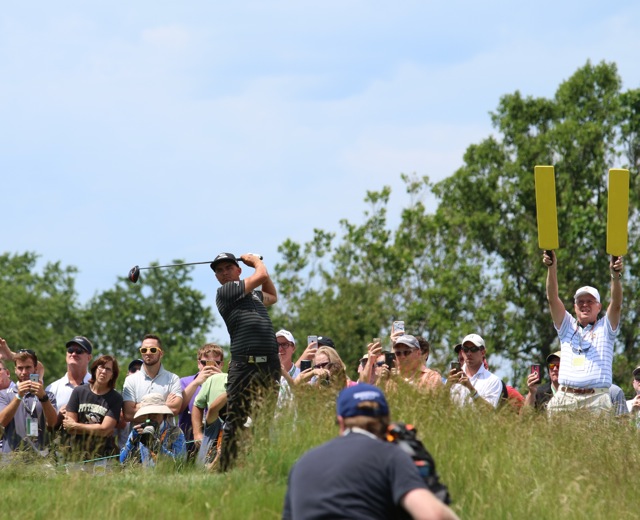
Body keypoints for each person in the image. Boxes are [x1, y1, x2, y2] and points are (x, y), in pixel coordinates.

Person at [282, 384, 459, 520]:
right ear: (387, 422)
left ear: (341, 422)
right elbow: (435, 515)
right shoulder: (390, 456)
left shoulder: (302, 463)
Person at [210, 252, 281, 471]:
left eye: (228, 268)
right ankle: (226, 469)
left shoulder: (253, 296)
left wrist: (260, 268)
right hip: (244, 365)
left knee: (263, 419)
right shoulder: (226, 292)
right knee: (236, 420)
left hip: (269, 364)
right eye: (219, 271)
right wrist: (257, 263)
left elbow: (272, 294)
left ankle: (260, 466)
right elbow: (261, 275)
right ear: (218, 278)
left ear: (238, 270)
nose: (224, 273)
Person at [543, 251, 623, 414]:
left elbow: (616, 303)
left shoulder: (605, 328)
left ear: (599, 307)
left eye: (590, 301)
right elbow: (552, 298)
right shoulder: (567, 325)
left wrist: (615, 276)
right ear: (574, 307)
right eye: (580, 301)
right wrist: (552, 267)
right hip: (565, 397)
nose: (585, 305)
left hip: (596, 400)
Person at [62, 355, 123, 460]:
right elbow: (69, 428)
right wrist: (96, 429)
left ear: (113, 375)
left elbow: (105, 430)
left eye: (108, 369)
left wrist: (77, 426)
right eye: (101, 367)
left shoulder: (115, 398)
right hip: (75, 456)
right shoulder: (78, 392)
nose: (103, 371)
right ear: (95, 369)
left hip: (102, 457)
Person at [0, 349, 58, 454]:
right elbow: (1, 422)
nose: (24, 372)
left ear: (36, 369)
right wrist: (18, 396)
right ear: (15, 370)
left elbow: (53, 424)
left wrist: (43, 398)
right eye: (20, 368)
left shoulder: (48, 395)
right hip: (12, 460)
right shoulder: (4, 395)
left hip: (42, 460)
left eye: (28, 367)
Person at [122, 334, 182, 423]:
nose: (148, 353)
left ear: (161, 353)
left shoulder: (173, 378)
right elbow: (128, 414)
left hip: (167, 436)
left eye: (153, 350)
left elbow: (174, 409)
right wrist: (163, 405)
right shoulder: (130, 380)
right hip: (138, 436)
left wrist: (140, 406)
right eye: (144, 350)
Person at [119, 393, 186, 467]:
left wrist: (155, 446)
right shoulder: (139, 431)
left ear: (164, 414)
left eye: (155, 413)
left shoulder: (175, 432)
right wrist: (131, 442)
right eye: (148, 413)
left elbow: (180, 461)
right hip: (145, 477)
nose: (151, 417)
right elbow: (122, 461)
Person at [178, 343, 223, 449]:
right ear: (198, 364)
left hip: (218, 442)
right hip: (187, 442)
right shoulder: (185, 382)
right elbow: (178, 409)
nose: (210, 367)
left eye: (216, 363)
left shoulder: (227, 382)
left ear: (221, 365)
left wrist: (221, 380)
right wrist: (196, 383)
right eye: (205, 363)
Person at [447, 334, 503, 408]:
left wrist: (471, 390)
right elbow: (439, 406)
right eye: (465, 349)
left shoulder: (493, 381)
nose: (469, 353)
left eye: (473, 349)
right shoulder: (454, 376)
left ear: (483, 352)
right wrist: (446, 387)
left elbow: (490, 413)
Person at [46, 336, 93, 418]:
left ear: (89, 357)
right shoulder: (52, 389)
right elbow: (47, 425)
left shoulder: (99, 386)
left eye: (79, 351)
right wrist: (59, 416)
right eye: (70, 350)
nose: (74, 354)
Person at [276, 329, 300, 407]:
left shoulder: (301, 374)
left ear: (293, 348)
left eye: (285, 344)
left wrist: (285, 374)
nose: (280, 349)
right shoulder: (266, 374)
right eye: (277, 344)